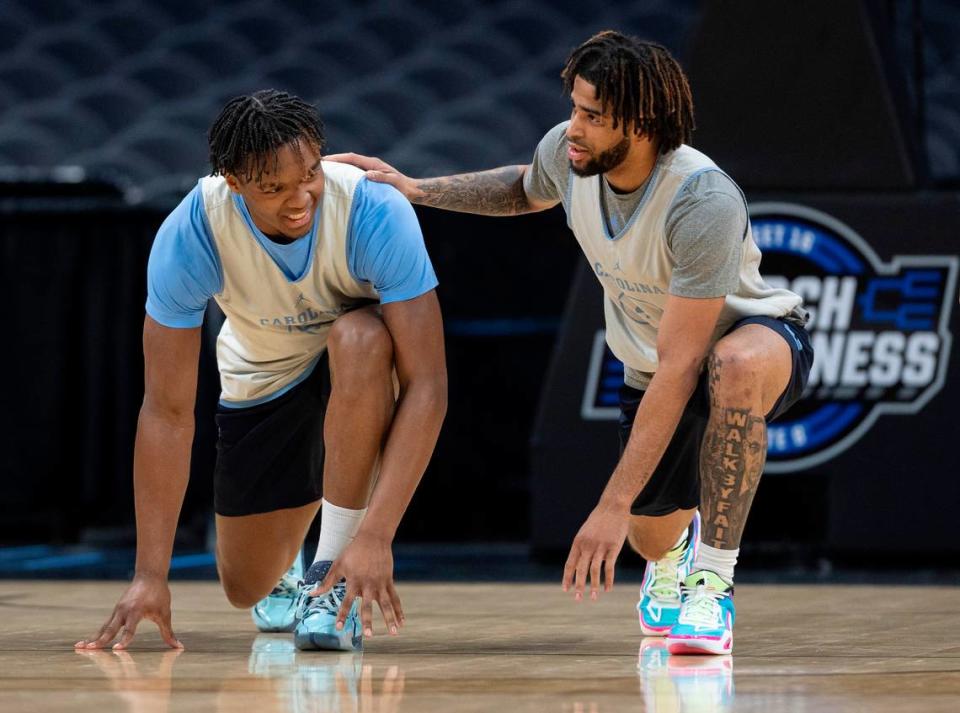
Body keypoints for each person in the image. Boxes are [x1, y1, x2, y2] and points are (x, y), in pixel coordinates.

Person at [328, 31, 813, 655]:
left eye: (592, 116)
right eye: (575, 108)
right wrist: (419, 190)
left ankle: (713, 583)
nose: (573, 127)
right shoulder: (572, 152)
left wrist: (609, 505)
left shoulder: (701, 199)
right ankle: (675, 551)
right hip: (651, 366)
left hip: (759, 340)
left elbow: (684, 363)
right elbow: (525, 186)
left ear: (639, 124)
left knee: (732, 364)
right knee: (650, 538)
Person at [75, 90, 447, 653]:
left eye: (310, 175)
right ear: (232, 179)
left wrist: (375, 536)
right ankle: (289, 564)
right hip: (265, 374)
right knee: (244, 587)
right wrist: (150, 575)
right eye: (274, 189)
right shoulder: (193, 232)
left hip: (358, 364)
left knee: (360, 336)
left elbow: (428, 385)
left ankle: (330, 578)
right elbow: (167, 411)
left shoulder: (373, 209)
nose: (300, 200)